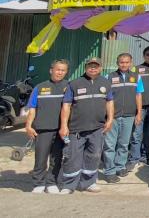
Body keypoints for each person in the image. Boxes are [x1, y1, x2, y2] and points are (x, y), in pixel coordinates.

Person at [58, 57, 114, 194]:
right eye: (90, 66)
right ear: (85, 67)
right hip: (76, 129)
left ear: (101, 68)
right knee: (72, 157)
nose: (93, 68)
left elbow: (109, 102)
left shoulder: (106, 83)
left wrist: (110, 119)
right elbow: (66, 105)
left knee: (94, 156)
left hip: (97, 128)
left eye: (96, 66)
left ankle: (88, 183)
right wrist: (64, 125)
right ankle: (69, 185)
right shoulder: (75, 83)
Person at [25, 59, 69, 194]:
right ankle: (38, 183)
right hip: (43, 129)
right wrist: (28, 126)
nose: (60, 72)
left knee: (57, 157)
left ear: (66, 72)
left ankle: (51, 182)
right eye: (57, 69)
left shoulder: (69, 87)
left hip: (60, 129)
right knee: (40, 157)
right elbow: (32, 108)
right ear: (51, 70)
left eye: (63, 70)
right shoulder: (40, 87)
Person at [103, 53, 144, 183]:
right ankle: (109, 171)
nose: (124, 64)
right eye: (121, 62)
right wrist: (108, 116)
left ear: (131, 63)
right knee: (110, 145)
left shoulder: (136, 77)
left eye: (126, 62)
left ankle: (120, 166)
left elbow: (138, 95)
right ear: (117, 63)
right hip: (112, 117)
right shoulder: (109, 77)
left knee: (124, 144)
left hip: (129, 116)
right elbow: (105, 98)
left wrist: (138, 113)